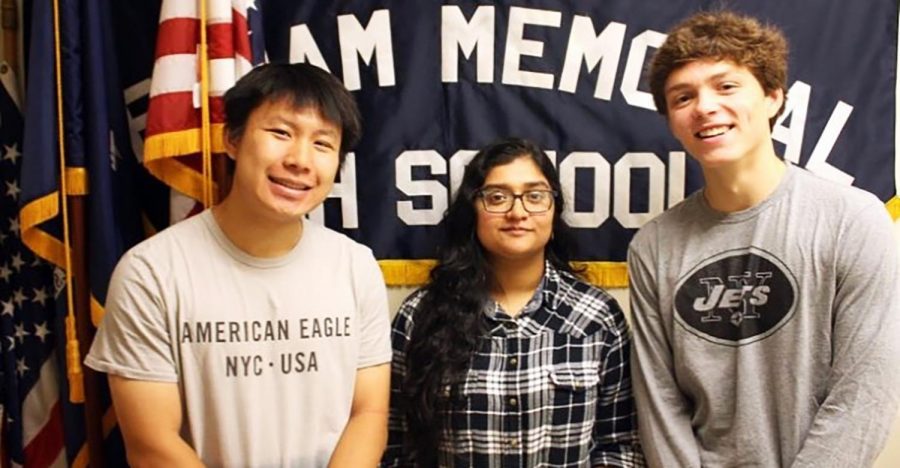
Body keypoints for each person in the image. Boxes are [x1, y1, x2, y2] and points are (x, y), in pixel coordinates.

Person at [629, 10, 900, 468]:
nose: (705, 106)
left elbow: (865, 395)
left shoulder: (855, 220)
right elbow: (660, 404)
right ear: (672, 121)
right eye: (683, 97)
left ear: (774, 97)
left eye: (726, 86)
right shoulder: (654, 247)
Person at [85, 63, 392, 467]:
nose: (300, 160)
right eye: (281, 133)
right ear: (232, 139)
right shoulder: (152, 272)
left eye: (322, 144)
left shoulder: (355, 267)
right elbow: (151, 444)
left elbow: (368, 413)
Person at [381, 138, 644, 467]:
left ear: (554, 209)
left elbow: (619, 444)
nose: (517, 212)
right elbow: (395, 445)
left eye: (535, 196)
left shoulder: (597, 317)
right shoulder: (419, 316)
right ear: (472, 210)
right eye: (497, 197)